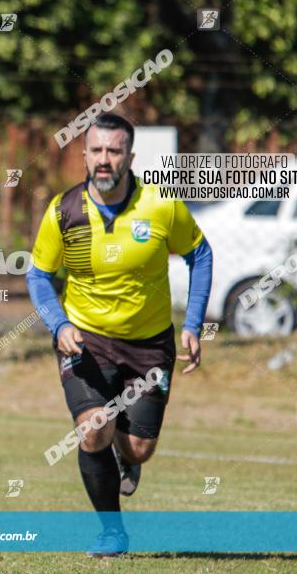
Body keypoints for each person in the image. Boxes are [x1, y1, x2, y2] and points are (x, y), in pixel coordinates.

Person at [26, 113, 212, 557]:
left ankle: (127, 460)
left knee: (139, 447)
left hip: (150, 345)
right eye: (96, 151)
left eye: (113, 151)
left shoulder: (161, 204)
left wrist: (192, 324)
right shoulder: (64, 211)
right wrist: (60, 324)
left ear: (130, 156)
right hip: (86, 340)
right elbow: (38, 276)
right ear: (85, 154)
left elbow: (200, 255)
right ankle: (112, 532)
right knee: (93, 430)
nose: (103, 160)